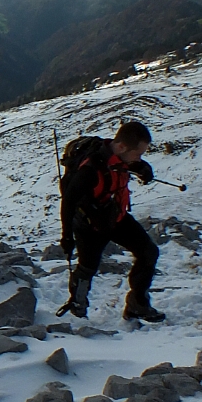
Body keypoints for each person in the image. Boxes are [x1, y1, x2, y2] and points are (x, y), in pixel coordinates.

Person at [59, 120, 163, 322]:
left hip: (114, 216)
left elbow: (130, 164)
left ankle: (137, 304)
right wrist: (67, 236)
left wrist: (143, 168)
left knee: (148, 252)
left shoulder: (120, 157)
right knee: (87, 267)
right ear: (122, 146)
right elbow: (68, 202)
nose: (138, 158)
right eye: (138, 153)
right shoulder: (89, 171)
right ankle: (77, 309)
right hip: (90, 224)